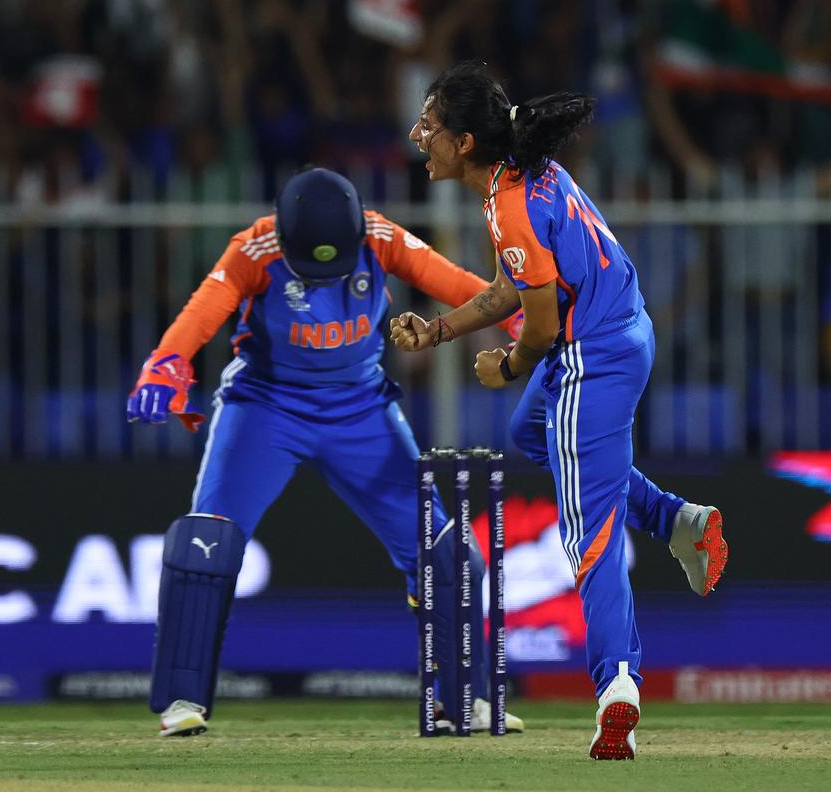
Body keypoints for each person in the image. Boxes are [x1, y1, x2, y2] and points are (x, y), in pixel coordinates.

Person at [390, 62, 729, 760]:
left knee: (589, 534)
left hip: (588, 359)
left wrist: (505, 365)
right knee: (531, 435)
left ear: (464, 143)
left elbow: (538, 326)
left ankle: (619, 688)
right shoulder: (519, 174)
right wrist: (441, 331)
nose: (421, 135)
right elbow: (509, 287)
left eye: (432, 125)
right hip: (620, 331)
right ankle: (676, 520)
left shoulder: (508, 203)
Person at [127, 167, 524, 737]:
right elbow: (202, 312)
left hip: (361, 410)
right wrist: (167, 362)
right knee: (205, 544)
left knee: (449, 554)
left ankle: (460, 700)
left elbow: (463, 288)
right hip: (265, 409)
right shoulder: (253, 248)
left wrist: (526, 322)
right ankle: (182, 701)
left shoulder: (379, 236)